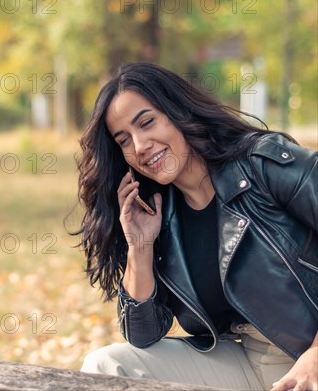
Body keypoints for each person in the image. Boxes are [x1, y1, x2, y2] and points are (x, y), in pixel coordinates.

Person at [74, 63, 317, 390]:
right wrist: (140, 247)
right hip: (248, 360)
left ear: (178, 113)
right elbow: (143, 334)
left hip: (308, 353)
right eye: (124, 140)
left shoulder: (263, 162)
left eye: (147, 123)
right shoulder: (162, 217)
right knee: (106, 366)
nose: (140, 145)